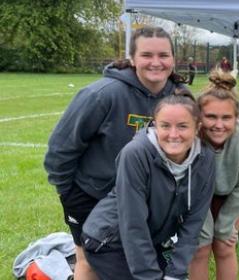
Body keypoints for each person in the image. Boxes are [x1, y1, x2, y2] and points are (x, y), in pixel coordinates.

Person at [43, 26, 183, 280]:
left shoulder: (180, 98)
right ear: (132, 58)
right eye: (146, 55)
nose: (156, 62)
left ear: (173, 58)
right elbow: (60, 149)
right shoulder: (102, 94)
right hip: (91, 194)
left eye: (163, 55)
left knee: (135, 258)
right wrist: (69, 193)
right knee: (88, 257)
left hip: (142, 199)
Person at [80, 93, 215, 279]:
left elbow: (194, 221)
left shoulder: (206, 158)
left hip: (152, 239)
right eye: (165, 126)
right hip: (108, 240)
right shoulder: (135, 154)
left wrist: (176, 272)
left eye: (183, 126)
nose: (173, 134)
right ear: (155, 125)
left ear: (197, 127)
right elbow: (133, 223)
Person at [188, 69, 239, 279]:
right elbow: (188, 186)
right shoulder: (191, 138)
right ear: (199, 116)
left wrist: (225, 226)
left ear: (237, 117)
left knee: (224, 246)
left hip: (229, 196)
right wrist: (206, 230)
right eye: (211, 117)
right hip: (195, 196)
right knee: (199, 248)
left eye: (226, 118)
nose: (218, 125)